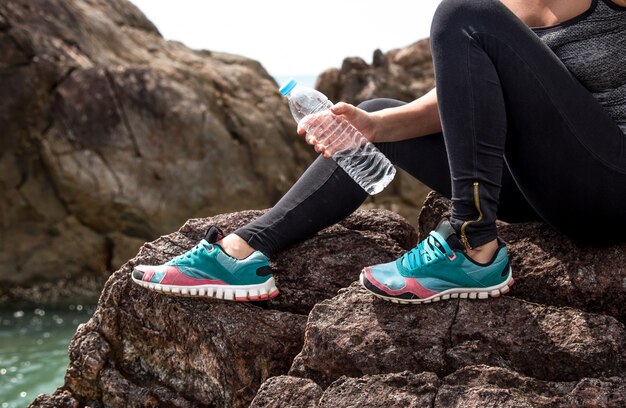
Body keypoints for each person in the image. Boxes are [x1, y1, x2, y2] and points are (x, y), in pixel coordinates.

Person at [132, 0, 626, 304]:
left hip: (610, 185)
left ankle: (473, 245)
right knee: (374, 113)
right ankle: (241, 255)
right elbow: (461, 102)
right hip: (541, 187)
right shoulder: (502, 7)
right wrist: (374, 127)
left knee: (460, 11)